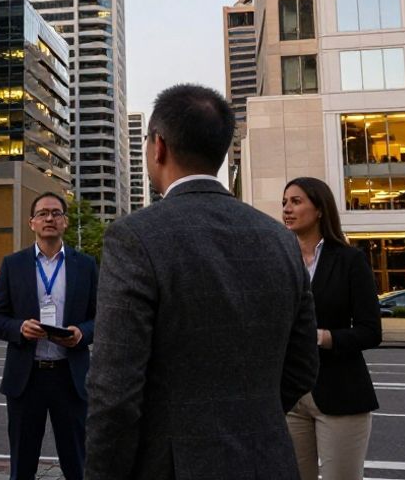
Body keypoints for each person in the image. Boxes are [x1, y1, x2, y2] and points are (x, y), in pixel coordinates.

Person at [85, 84, 318, 480]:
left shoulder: (134, 237)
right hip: (268, 459)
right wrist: (247, 413)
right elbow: (303, 366)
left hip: (172, 464)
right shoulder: (280, 239)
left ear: (158, 146)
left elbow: (114, 393)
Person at [0, 191, 97, 480]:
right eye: (43, 213)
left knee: (78, 464)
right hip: (26, 379)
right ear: (31, 223)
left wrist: (81, 333)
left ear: (65, 222)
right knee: (22, 466)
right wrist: (20, 328)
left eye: (56, 213)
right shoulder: (13, 264)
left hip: (69, 378)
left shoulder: (85, 265)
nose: (49, 218)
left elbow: (101, 318)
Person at [281, 177, 382, 480]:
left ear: (320, 209)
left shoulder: (350, 260)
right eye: (284, 202)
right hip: (288, 395)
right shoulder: (278, 258)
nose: (287, 209)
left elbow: (370, 331)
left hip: (340, 393)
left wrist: (324, 338)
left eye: (296, 201)